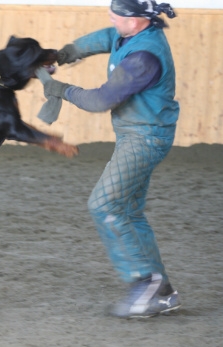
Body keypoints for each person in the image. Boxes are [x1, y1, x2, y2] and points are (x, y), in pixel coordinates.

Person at [36, 0, 182, 318]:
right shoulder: (127, 34)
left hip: (145, 139)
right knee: (129, 211)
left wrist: (62, 89)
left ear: (138, 21)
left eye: (117, 15)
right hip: (136, 134)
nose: (111, 17)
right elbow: (103, 37)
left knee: (103, 205)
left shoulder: (144, 56)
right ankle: (164, 293)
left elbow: (102, 99)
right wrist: (62, 55)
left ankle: (145, 285)